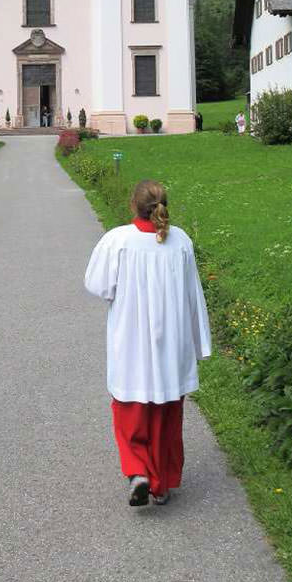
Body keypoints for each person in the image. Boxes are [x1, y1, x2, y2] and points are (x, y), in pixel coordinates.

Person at [84, 179, 211, 507]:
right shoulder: (180, 240)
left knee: (130, 410)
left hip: (133, 343)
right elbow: (193, 294)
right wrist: (200, 343)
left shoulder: (119, 241)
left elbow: (99, 286)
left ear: (133, 206)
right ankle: (163, 482)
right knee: (168, 414)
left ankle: (138, 471)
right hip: (172, 344)